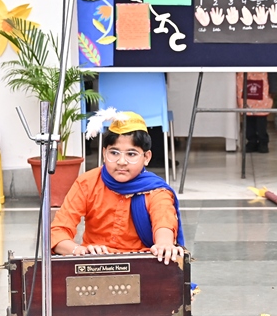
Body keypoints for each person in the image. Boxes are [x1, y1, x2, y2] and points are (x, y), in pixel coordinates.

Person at [51, 110, 184, 264]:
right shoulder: (87, 183)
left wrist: (164, 244)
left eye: (131, 154)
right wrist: (78, 251)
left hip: (141, 265)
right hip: (94, 262)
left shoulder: (155, 190)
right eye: (114, 153)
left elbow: (164, 221)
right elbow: (57, 231)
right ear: (104, 153)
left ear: (146, 157)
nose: (121, 161)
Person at [237, 72, 273, 153]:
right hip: (243, 80)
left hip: (262, 81)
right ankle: (251, 142)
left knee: (261, 116)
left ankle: (263, 142)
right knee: (247, 115)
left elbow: (273, 70)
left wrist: (273, 88)